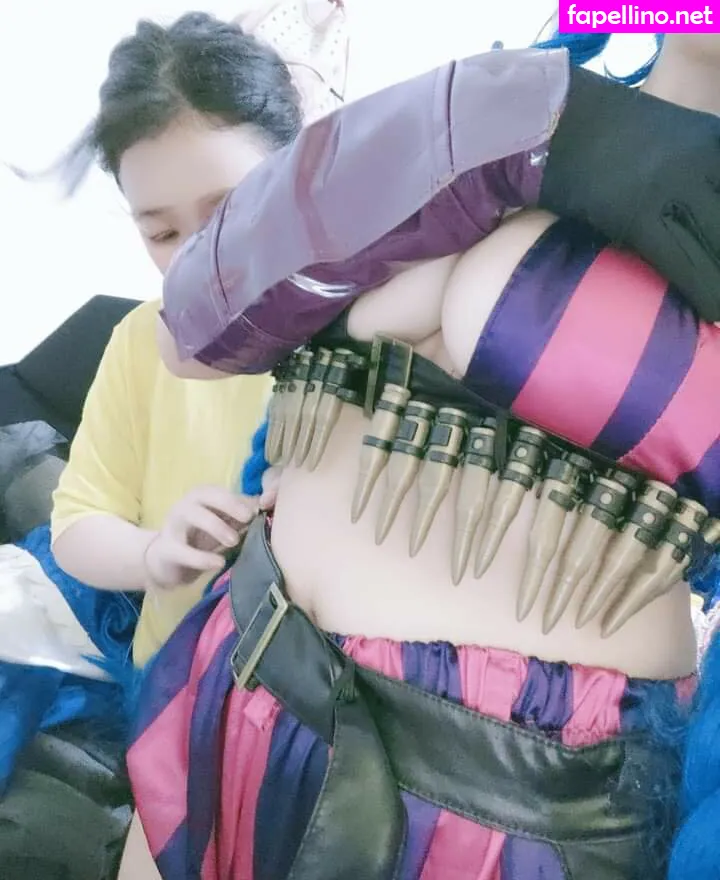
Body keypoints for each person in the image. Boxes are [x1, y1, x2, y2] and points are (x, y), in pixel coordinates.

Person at [126, 28, 720, 880]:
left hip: (505, 802)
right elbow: (191, 327)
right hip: (243, 667)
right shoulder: (519, 97)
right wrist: (523, 127)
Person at [49, 12, 307, 668]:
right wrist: (154, 552)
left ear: (303, 176)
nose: (200, 257)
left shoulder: (372, 324)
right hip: (180, 683)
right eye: (162, 234)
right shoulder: (142, 341)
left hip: (336, 688)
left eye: (232, 211)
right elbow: (77, 523)